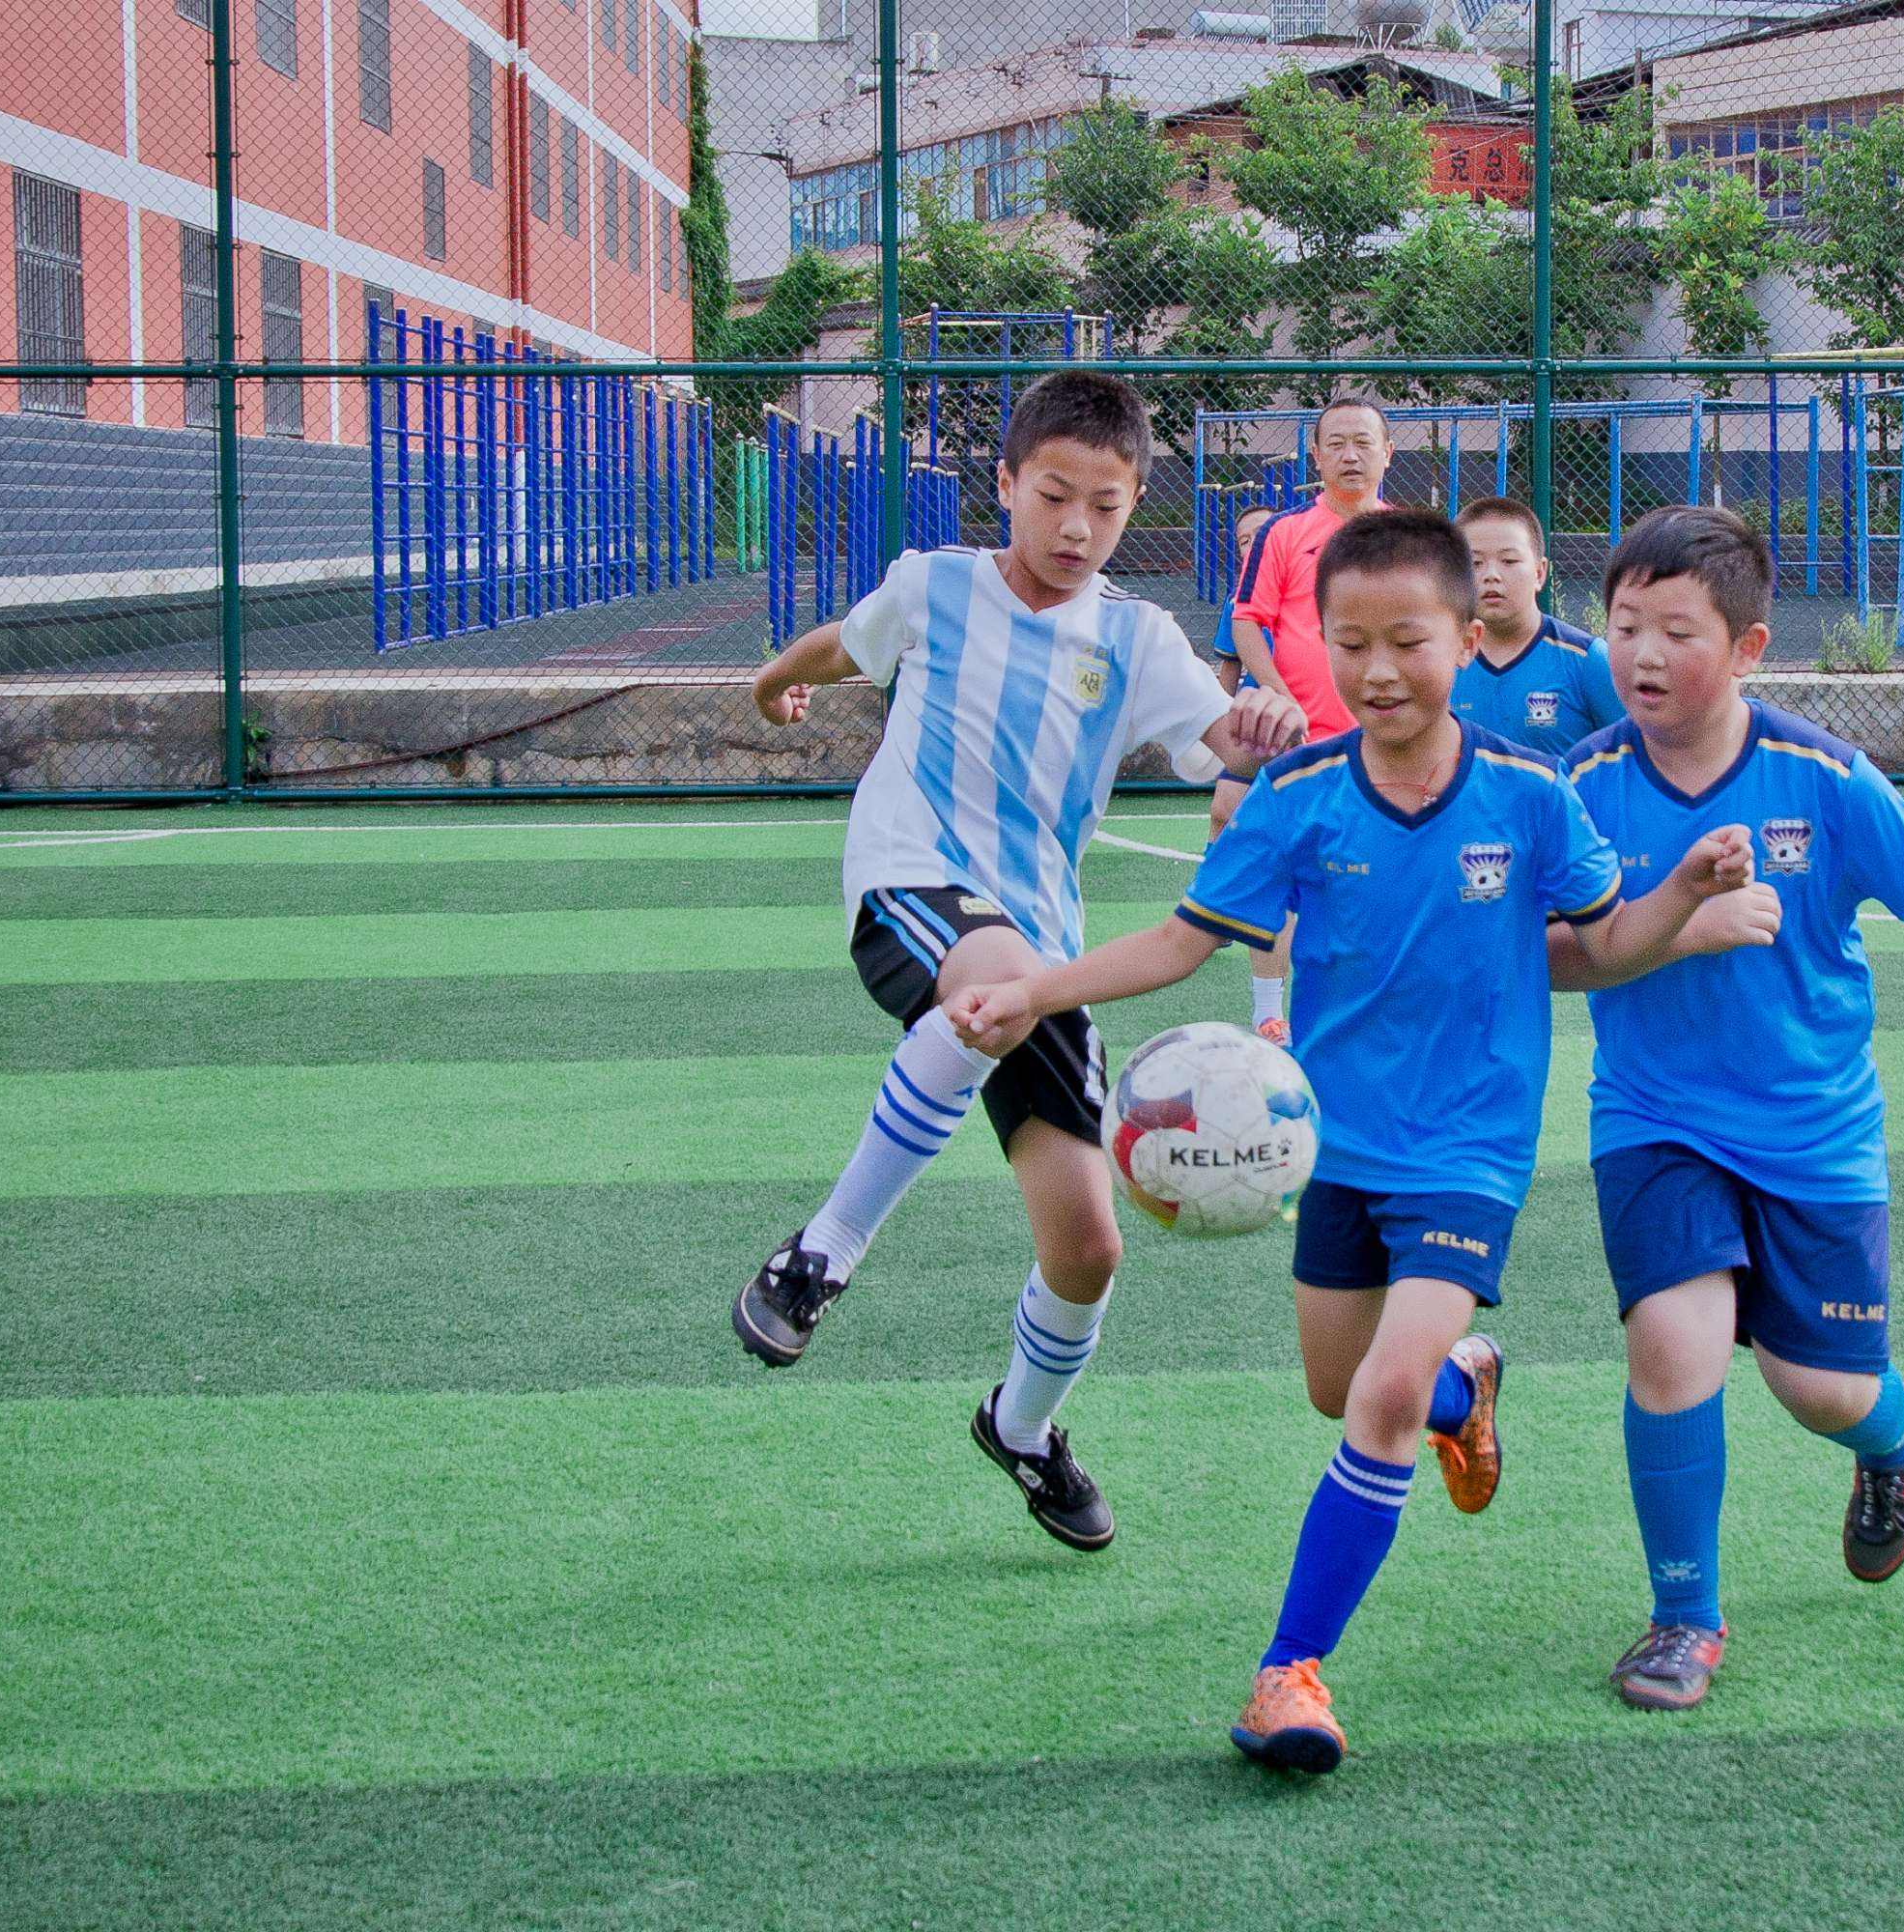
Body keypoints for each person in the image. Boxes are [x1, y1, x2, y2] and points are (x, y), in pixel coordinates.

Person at [946, 509, 1757, 1773]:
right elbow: (1179, 942)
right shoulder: (1298, 797)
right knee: (1346, 1388)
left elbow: (1601, 949)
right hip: (1327, 1146)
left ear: (1466, 632)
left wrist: (1683, 903)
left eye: (1408, 641)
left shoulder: (1530, 797)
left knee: (1367, 1397)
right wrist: (1037, 990)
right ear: (1322, 645)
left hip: (1469, 1152)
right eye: (1352, 642)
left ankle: (1290, 1676)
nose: (1380, 670)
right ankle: (1460, 1388)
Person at [731, 371, 1306, 1554]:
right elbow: (844, 648)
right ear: (1003, 483)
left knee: (1088, 1246)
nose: (1076, 528)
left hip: (1039, 936)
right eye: (1052, 496)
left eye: (1105, 504)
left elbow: (1220, 741)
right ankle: (820, 1253)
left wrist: (1258, 736)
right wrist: (771, 682)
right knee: (989, 988)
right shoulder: (931, 586)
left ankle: (1024, 1426)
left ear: (1134, 500)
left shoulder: (1135, 636)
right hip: (910, 882)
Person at [1551, 505, 1904, 1714]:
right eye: (1622, 625)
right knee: (1673, 1344)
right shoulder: (1582, 782)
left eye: (1673, 631)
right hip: (1652, 1118)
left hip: (1813, 1131)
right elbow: (1541, 949)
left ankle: (1895, 1436)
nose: (1640, 654)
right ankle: (1682, 1617)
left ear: (1747, 648)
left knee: (1813, 1386)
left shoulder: (1823, 778)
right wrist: (1675, 924)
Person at [1227, 397, 1397, 1046]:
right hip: (1299, 747)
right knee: (1282, 876)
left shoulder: (1407, 536)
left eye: (1364, 442)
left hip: (1382, 747)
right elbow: (1248, 621)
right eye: (1338, 444)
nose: (1351, 455)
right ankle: (1270, 1013)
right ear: (1317, 458)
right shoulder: (1284, 533)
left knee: (1376, 879)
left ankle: (1367, 1007)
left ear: (1387, 454)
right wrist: (1280, 700)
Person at [1449, 495, 1623, 759]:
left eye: (1509, 561)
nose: (1491, 575)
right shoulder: (1441, 661)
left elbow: (1632, 760)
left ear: (1540, 573)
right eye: (1475, 563)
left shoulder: (1588, 660)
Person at [1207, 505, 1281, 844]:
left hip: (1306, 716)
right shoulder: (1237, 601)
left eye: (1261, 534)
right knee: (1224, 810)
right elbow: (1229, 668)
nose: (1253, 545)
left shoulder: (1311, 592)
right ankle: (1212, 894)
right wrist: (1218, 721)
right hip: (1255, 721)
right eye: (1244, 541)